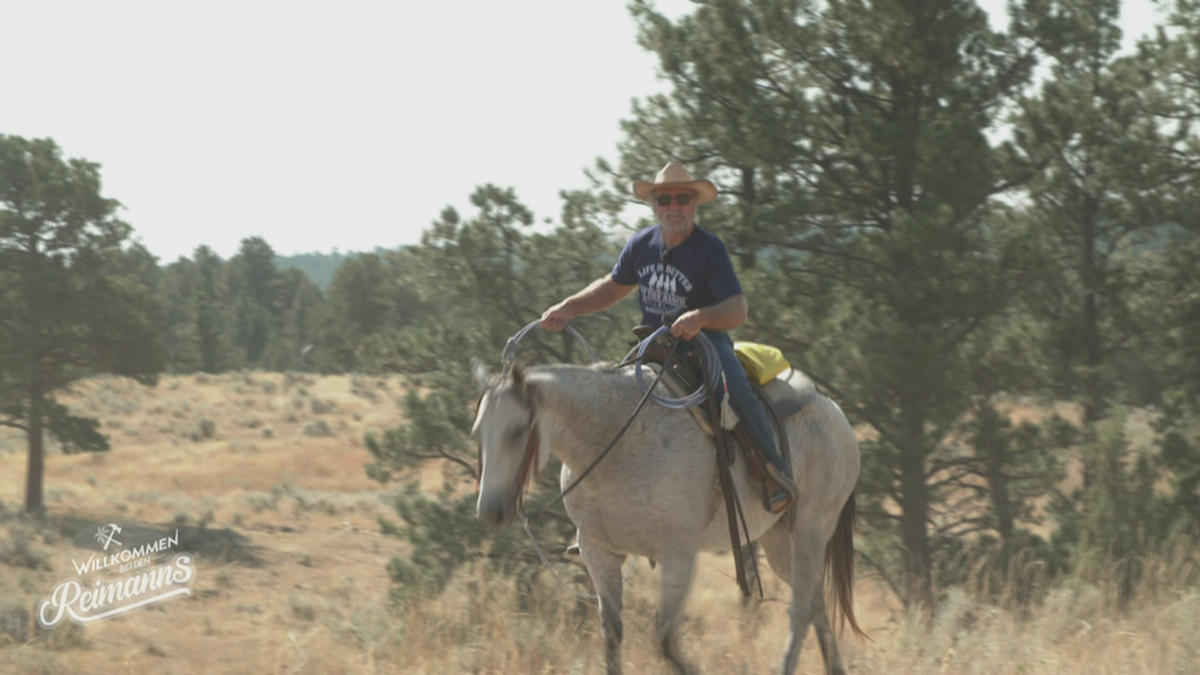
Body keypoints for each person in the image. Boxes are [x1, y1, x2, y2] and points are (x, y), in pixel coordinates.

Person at [540, 161, 795, 512]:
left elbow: (737, 311)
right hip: (654, 345)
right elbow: (613, 288)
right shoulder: (641, 244)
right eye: (664, 199)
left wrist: (701, 317)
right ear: (654, 205)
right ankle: (604, 512)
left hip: (705, 343)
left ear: (693, 204)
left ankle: (774, 472)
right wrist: (569, 307)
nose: (673, 206)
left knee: (737, 390)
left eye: (681, 198)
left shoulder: (710, 249)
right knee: (612, 402)